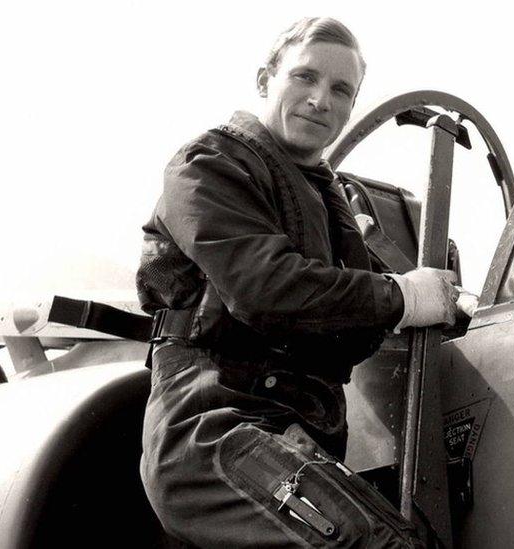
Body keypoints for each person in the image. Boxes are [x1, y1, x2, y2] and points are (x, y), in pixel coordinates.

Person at [136, 17, 460, 548]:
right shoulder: (209, 165)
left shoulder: (329, 202)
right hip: (217, 426)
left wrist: (425, 300)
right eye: (304, 78)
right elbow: (265, 289)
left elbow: (354, 335)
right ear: (266, 80)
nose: (320, 100)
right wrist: (401, 296)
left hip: (295, 434)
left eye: (341, 90)